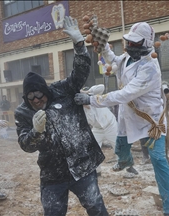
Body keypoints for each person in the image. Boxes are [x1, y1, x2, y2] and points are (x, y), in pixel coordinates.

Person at [74, 21, 169, 216]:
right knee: (121, 149)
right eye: (129, 42)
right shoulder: (127, 58)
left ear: (146, 44)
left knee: (158, 160)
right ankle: (125, 161)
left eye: (136, 43)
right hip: (128, 113)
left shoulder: (150, 68)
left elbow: (124, 94)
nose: (130, 46)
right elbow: (112, 59)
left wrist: (91, 99)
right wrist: (102, 44)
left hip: (151, 120)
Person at [14, 16, 108, 215]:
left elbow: (81, 72)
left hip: (82, 165)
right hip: (52, 174)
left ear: (45, 91)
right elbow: (25, 145)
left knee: (96, 208)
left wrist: (79, 44)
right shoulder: (23, 112)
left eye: (39, 95)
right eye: (31, 98)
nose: (36, 100)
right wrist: (35, 132)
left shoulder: (62, 90)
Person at [81, 84, 118, 176]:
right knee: (92, 148)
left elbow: (101, 87)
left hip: (110, 125)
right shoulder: (81, 109)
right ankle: (97, 171)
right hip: (97, 129)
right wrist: (86, 107)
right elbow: (90, 121)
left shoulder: (93, 95)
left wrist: (86, 93)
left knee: (118, 146)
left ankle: (128, 166)